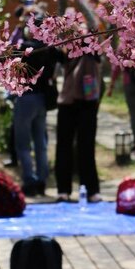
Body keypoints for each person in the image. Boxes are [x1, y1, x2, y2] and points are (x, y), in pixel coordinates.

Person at [13, 3, 59, 197]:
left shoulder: (25, 48)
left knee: (23, 143)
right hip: (42, 99)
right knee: (40, 142)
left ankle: (29, 181)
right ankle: (42, 179)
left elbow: (4, 54)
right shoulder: (50, 49)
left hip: (26, 98)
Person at [55, 53, 103, 203]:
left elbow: (99, 54)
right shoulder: (66, 44)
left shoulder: (94, 44)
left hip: (88, 101)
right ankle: (63, 189)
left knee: (86, 147)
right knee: (64, 146)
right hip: (67, 101)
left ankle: (91, 189)